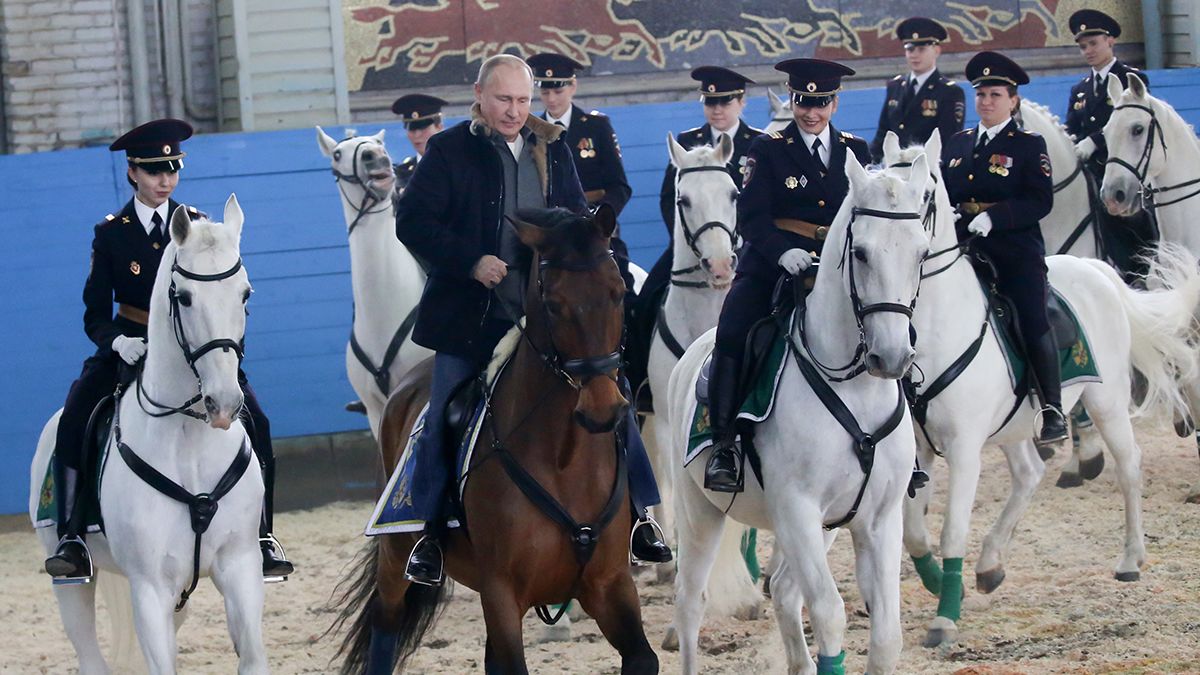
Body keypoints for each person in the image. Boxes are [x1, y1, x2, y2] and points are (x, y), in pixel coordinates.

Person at [394, 54, 671, 586]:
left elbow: (571, 218)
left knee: (610, 393)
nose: (515, 111)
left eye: (522, 100)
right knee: (445, 411)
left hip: (548, 318)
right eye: (504, 99)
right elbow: (413, 221)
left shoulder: (554, 147)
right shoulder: (450, 150)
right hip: (472, 316)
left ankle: (641, 518)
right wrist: (471, 260)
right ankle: (430, 533)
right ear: (479, 94)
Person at [44, 119, 293, 582]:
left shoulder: (199, 227)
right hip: (131, 346)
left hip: (195, 352)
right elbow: (93, 312)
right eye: (155, 171)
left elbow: (224, 300)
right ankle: (73, 535)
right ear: (133, 172)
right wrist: (116, 341)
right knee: (77, 414)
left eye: (172, 170)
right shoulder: (112, 233)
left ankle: (263, 534)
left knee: (258, 420)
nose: (165, 181)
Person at [704, 59, 871, 493]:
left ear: (834, 103)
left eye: (819, 103)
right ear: (793, 101)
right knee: (735, 329)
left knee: (890, 325)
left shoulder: (858, 150)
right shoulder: (767, 148)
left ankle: (905, 443)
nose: (810, 113)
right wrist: (783, 251)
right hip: (775, 262)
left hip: (839, 268)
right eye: (802, 102)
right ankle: (724, 443)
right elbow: (752, 217)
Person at [942, 51, 1065, 450]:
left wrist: (997, 218)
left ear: (1013, 100)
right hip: (965, 246)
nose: (986, 102)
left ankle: (1052, 408)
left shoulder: (1028, 145)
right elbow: (945, 191)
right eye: (981, 94)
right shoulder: (958, 143)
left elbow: (1039, 200)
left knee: (1031, 316)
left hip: (1013, 251)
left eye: (995, 94)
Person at [628, 66, 764, 405]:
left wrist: (741, 243)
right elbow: (666, 198)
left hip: (746, 247)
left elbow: (762, 202)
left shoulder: (759, 144)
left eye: (725, 101)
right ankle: (640, 382)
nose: (717, 109)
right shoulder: (686, 143)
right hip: (691, 247)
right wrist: (689, 242)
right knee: (645, 300)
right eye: (710, 102)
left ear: (741, 102)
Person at [527, 52, 636, 293]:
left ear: (573, 86)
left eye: (558, 91)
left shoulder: (596, 127)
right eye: (545, 92)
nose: (552, 99)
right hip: (550, 231)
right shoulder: (531, 133)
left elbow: (620, 187)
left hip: (593, 229)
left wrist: (599, 220)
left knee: (622, 289)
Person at [1063, 8, 1155, 280]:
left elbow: (1134, 124)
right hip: (1090, 173)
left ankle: (1140, 272)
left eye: (1093, 43)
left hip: (1124, 170)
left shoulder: (1132, 79)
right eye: (1083, 46)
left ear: (1110, 40)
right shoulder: (1079, 89)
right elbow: (1072, 129)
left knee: (1131, 218)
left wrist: (1095, 141)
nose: (1088, 50)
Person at [869, 16, 965, 164]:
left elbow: (948, 142)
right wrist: (868, 164)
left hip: (927, 173)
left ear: (936, 50)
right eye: (910, 49)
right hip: (895, 171)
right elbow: (883, 134)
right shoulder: (895, 87)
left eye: (922, 49)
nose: (915, 54)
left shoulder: (949, 92)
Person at [392, 93, 447, 194]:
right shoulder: (402, 174)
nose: (417, 135)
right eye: (412, 129)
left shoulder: (459, 166)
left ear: (439, 127)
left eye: (423, 128)